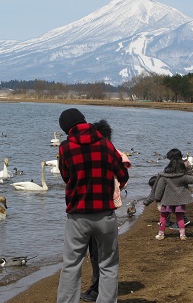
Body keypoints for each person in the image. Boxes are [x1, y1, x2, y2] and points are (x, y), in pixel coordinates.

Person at [56, 109, 129, 303]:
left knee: (71, 265)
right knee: (108, 264)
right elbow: (123, 175)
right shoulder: (106, 145)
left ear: (66, 129)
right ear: (84, 121)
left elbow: (65, 176)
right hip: (105, 215)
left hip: (77, 215)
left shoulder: (65, 148)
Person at [80, 119, 131, 303]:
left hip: (84, 212)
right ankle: (100, 290)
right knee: (105, 255)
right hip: (106, 211)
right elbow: (123, 176)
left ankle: (96, 290)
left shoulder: (89, 152)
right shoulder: (112, 153)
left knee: (95, 254)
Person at [153, 148, 193, 240]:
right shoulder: (182, 176)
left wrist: (157, 198)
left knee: (163, 217)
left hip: (167, 200)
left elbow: (159, 189)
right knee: (180, 217)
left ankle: (161, 234)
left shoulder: (164, 176)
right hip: (179, 200)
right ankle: (182, 235)